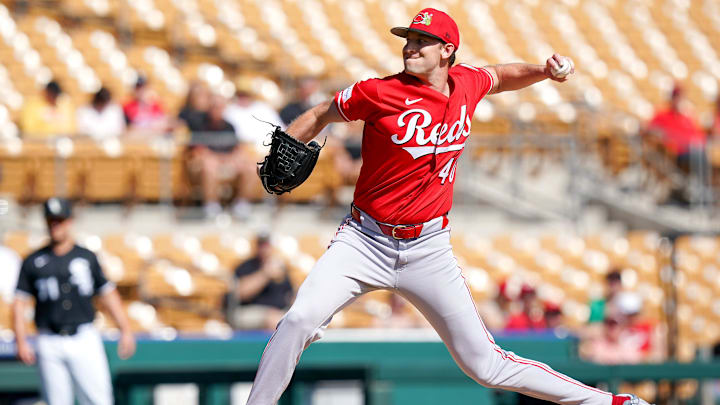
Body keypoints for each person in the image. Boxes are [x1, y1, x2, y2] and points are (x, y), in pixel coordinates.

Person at [245, 8, 650, 405]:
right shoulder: (378, 92)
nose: (411, 47)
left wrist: (543, 71)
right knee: (298, 320)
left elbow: (500, 76)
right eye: (408, 40)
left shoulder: (465, 83)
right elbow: (321, 112)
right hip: (364, 240)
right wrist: (288, 144)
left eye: (422, 41)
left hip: (428, 248)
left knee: (485, 365)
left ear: (447, 50)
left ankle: (610, 403)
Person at [12, 198, 136, 405]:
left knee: (98, 399)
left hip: (83, 337)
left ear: (69, 221)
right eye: (51, 221)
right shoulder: (33, 260)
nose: (55, 226)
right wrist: (21, 340)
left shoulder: (86, 257)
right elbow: (19, 303)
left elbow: (107, 293)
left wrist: (126, 329)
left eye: (59, 220)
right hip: (49, 337)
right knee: (56, 401)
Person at [186, 95, 256, 219]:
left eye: (220, 107)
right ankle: (211, 206)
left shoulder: (230, 126)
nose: (217, 110)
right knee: (210, 165)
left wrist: (232, 159)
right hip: (206, 163)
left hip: (227, 161)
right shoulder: (199, 124)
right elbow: (198, 150)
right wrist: (219, 159)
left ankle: (242, 205)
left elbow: (236, 149)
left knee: (251, 166)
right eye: (214, 107)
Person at [227, 233, 292, 330]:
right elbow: (241, 294)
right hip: (249, 311)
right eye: (261, 245)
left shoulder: (281, 267)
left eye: (266, 245)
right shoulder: (246, 266)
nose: (264, 248)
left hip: (278, 311)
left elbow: (289, 294)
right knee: (275, 320)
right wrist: (265, 274)